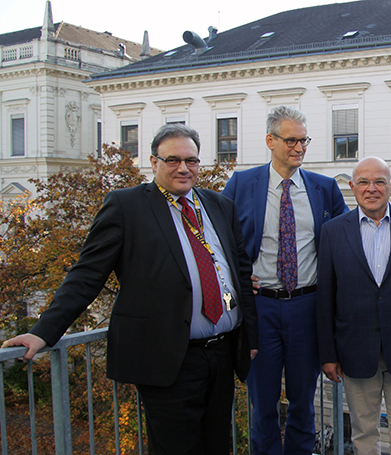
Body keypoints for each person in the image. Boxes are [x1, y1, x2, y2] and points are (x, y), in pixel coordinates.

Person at [2, 123, 258, 454]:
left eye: (191, 160)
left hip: (222, 354)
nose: (183, 168)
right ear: (153, 162)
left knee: (217, 446)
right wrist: (43, 332)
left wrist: (248, 335)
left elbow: (240, 272)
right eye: (173, 160)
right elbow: (86, 274)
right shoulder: (126, 206)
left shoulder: (218, 205)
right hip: (169, 358)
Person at [221, 105, 348, 454]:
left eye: (304, 140)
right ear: (270, 140)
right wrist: (238, 279)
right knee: (262, 407)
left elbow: (347, 242)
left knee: (303, 405)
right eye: (291, 140)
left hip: (308, 308)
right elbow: (219, 241)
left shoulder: (324, 189)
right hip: (260, 310)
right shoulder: (242, 184)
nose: (299, 148)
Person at [316, 156, 391, 455]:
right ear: (352, 187)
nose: (372, 188)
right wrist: (328, 354)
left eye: (379, 182)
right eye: (364, 182)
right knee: (363, 432)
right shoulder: (332, 232)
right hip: (354, 349)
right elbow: (325, 298)